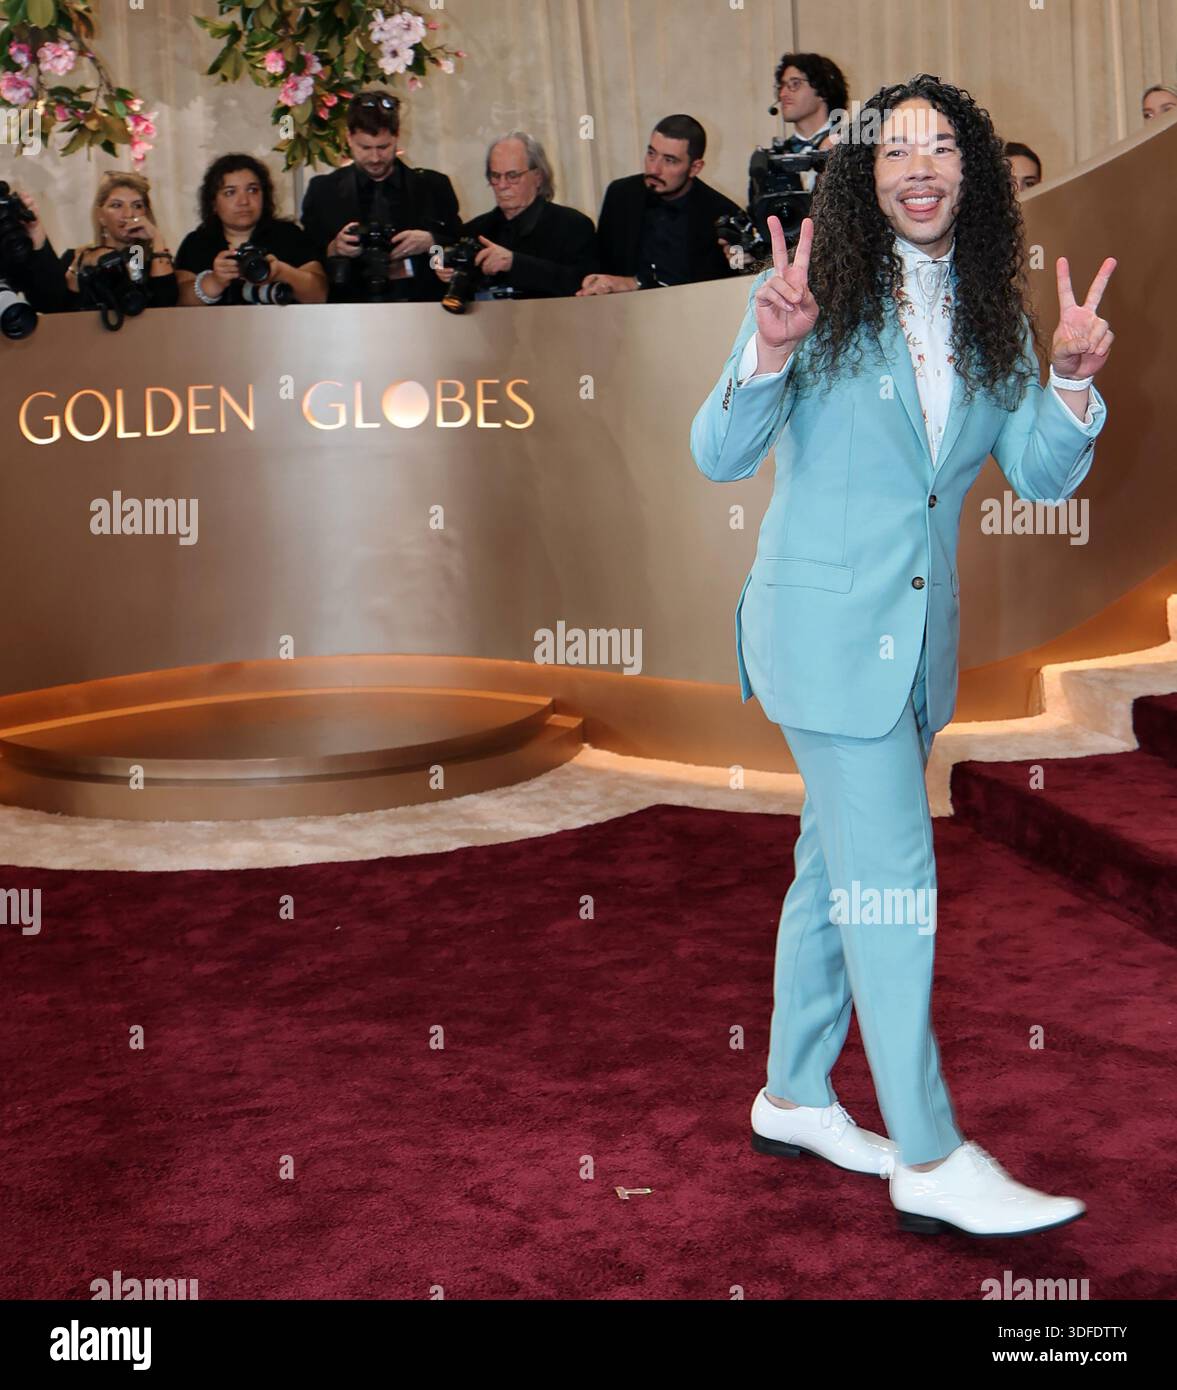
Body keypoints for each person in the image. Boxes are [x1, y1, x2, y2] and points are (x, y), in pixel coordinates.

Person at [691, 74, 1115, 1239]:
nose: (918, 167)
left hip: (917, 649)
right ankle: (926, 1153)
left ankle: (791, 1091)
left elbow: (1035, 471)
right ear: (863, 175)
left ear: (970, 175)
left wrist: (1070, 381)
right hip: (825, 639)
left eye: (942, 149)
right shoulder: (812, 289)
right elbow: (719, 454)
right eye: (895, 151)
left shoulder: (986, 307)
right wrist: (768, 353)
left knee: (832, 868)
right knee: (892, 888)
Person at [301, 90, 461, 303]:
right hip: (348, 312)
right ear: (349, 138)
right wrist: (333, 249)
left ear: (397, 137)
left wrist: (432, 243)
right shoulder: (323, 191)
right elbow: (304, 260)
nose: (375, 157)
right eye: (365, 147)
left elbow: (458, 248)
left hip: (422, 309)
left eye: (383, 147)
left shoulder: (434, 186)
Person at [579, 115, 741, 294]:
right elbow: (603, 262)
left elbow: (722, 288)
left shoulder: (723, 213)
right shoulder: (621, 194)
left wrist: (637, 283)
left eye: (669, 160)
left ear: (695, 168)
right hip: (623, 313)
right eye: (651, 154)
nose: (654, 169)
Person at [433, 132, 597, 300]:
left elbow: (585, 284)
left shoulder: (573, 225)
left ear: (538, 177)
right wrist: (442, 269)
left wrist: (514, 263)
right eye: (495, 176)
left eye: (513, 176)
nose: (502, 185)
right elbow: (436, 260)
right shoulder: (475, 230)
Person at [16, 171, 178, 313]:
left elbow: (166, 307)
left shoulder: (153, 263)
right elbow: (52, 306)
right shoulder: (78, 257)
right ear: (101, 216)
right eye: (116, 205)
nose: (128, 213)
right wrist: (78, 267)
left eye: (137, 205)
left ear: (146, 213)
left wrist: (157, 238)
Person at [175, 154, 326, 306]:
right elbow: (177, 303)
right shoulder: (196, 243)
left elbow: (319, 295)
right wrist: (215, 281)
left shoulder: (289, 235)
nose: (244, 201)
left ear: (264, 196)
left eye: (253, 190)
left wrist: (282, 272)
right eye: (230, 192)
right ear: (213, 203)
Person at [772, 52, 849, 154]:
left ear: (823, 91)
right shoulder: (778, 156)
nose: (782, 94)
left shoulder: (851, 147)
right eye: (782, 86)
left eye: (795, 83)